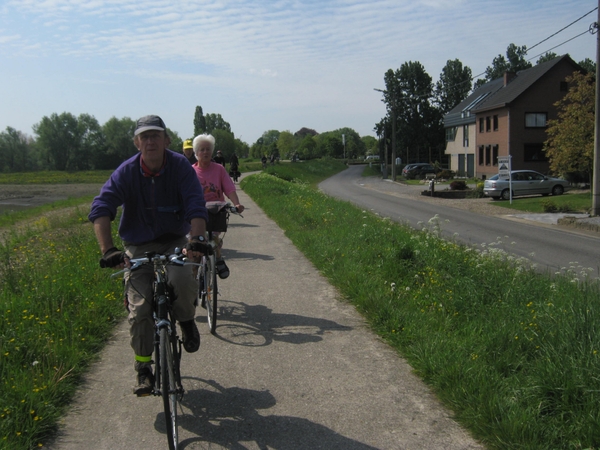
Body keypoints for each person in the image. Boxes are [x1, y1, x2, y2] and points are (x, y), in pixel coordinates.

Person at [89, 115, 209, 396]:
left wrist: (197, 239)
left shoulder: (180, 166)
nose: (150, 141)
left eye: (156, 135)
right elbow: (101, 207)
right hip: (137, 244)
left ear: (167, 141)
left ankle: (187, 321)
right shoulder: (126, 171)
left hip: (174, 240)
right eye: (144, 136)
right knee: (140, 306)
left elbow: (195, 203)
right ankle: (143, 368)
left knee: (182, 278)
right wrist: (108, 250)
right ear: (137, 143)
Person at [192, 134, 245, 279]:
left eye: (208, 149)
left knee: (213, 240)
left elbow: (229, 188)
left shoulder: (219, 169)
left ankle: (218, 259)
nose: (205, 152)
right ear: (196, 153)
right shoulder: (191, 171)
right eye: (202, 149)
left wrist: (237, 204)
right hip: (196, 214)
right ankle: (193, 281)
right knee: (195, 247)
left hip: (216, 212)